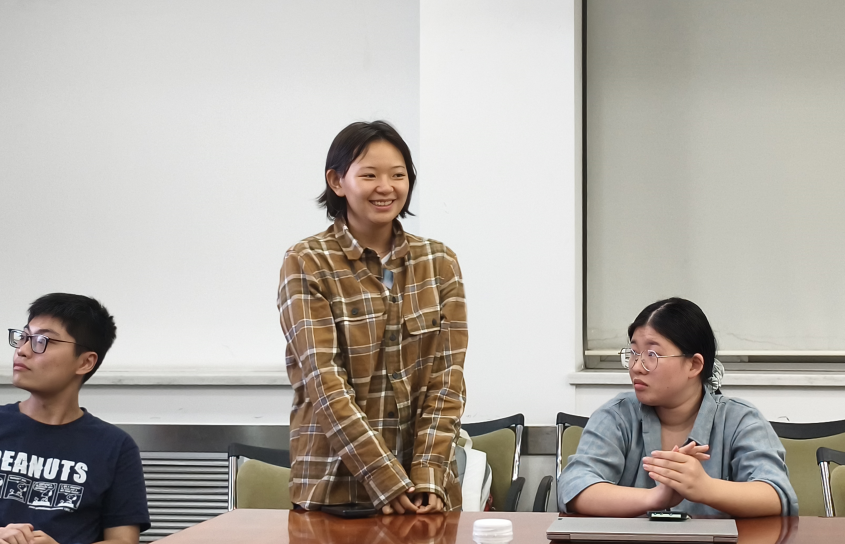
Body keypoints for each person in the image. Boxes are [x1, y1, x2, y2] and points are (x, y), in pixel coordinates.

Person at [277, 121, 468, 514]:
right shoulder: (307, 261)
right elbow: (325, 383)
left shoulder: (439, 262)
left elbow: (446, 381)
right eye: (369, 175)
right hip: (335, 491)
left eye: (398, 175)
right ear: (337, 181)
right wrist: (386, 478)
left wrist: (428, 474)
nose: (386, 187)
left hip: (426, 493)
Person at [558, 297, 798, 517]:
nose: (637, 367)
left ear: (694, 365)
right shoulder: (617, 415)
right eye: (634, 353)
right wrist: (655, 497)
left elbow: (777, 495)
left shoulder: (739, 419)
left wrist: (705, 488)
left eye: (652, 354)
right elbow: (574, 488)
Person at [1, 293, 150, 544]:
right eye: (24, 337)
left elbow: (124, 541)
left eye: (42, 340)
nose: (22, 350)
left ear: (85, 362)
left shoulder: (115, 446)